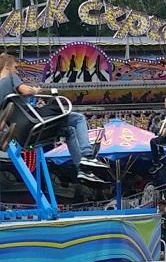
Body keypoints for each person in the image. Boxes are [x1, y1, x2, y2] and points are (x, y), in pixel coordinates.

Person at [0, 53, 103, 181]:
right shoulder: (10, 78)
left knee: (69, 131)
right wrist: (35, 91)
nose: (17, 71)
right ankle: (87, 156)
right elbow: (26, 91)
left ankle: (83, 169)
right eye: (15, 67)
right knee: (78, 118)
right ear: (8, 67)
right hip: (35, 121)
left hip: (23, 134)